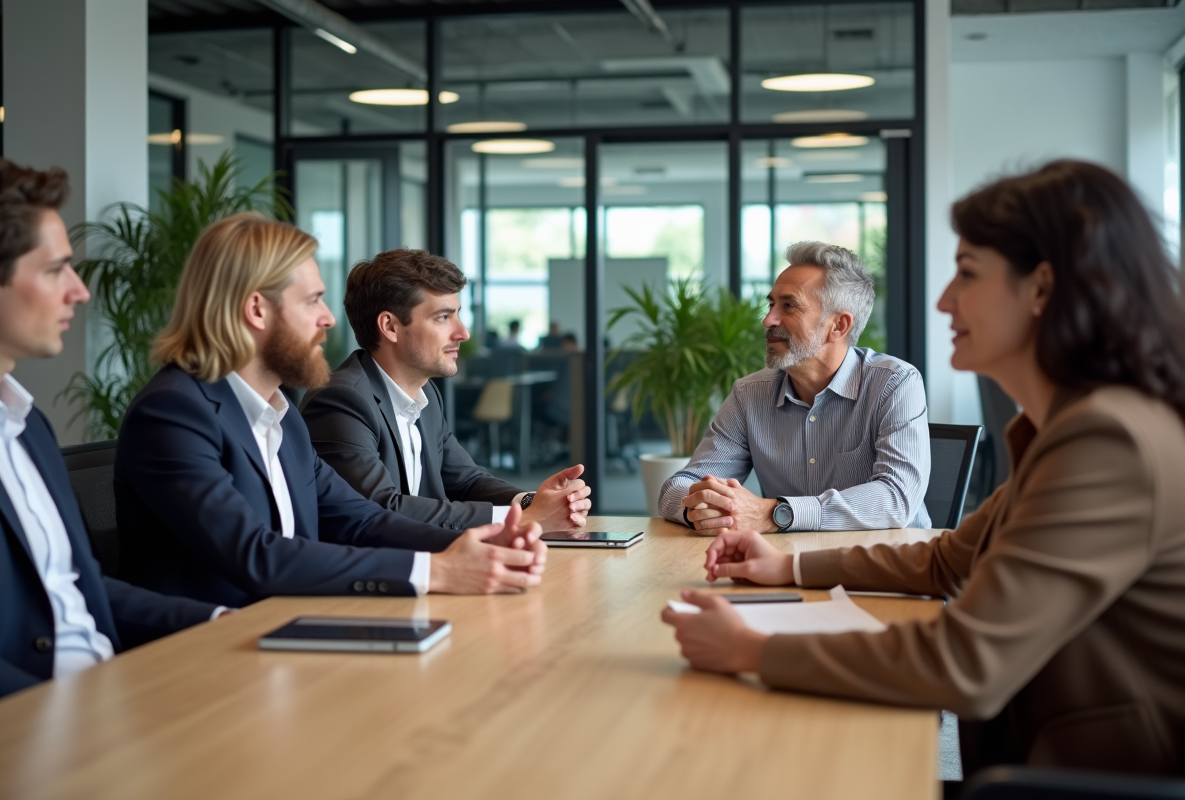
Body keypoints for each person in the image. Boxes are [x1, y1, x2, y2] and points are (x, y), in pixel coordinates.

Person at [662, 161, 1185, 778]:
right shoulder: (1063, 428)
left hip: (1092, 784)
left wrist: (753, 648)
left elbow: (966, 660)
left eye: (966, 274)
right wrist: (788, 563)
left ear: (1041, 289)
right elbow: (945, 557)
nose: (943, 300)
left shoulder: (1108, 441)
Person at [115, 214, 546, 609]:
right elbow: (256, 554)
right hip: (207, 654)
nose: (329, 319)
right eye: (312, 301)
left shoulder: (280, 415)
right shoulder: (174, 411)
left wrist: (484, 541)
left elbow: (362, 520)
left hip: (292, 626)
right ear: (256, 309)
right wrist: (438, 570)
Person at [0, 158, 222, 703]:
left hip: (111, 699)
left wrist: (219, 621)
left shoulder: (27, 426)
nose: (80, 290)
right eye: (54, 270)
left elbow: (74, 586)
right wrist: (63, 725)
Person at [300, 248, 592, 531]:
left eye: (458, 314)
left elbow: (466, 481)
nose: (463, 333)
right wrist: (522, 518)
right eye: (443, 317)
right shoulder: (342, 400)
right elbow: (380, 508)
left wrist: (531, 502)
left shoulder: (425, 396)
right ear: (390, 326)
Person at [659, 241, 931, 533]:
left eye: (789, 305)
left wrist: (775, 513)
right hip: (783, 563)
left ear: (838, 326)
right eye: (771, 304)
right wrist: (703, 507)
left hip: (889, 565)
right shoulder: (749, 394)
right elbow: (679, 487)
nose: (768, 320)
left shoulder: (895, 384)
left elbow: (896, 499)